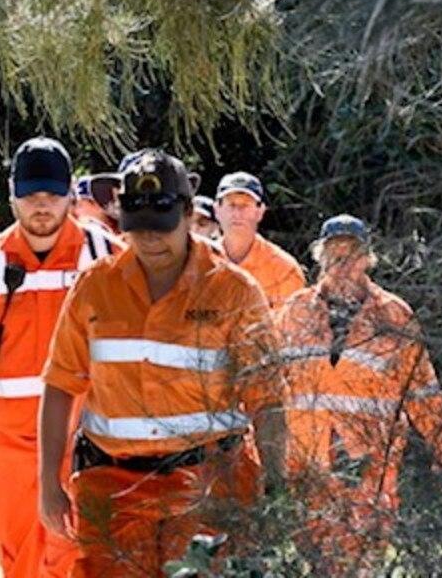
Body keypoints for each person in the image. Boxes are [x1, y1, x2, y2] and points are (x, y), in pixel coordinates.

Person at [38, 148, 281, 577]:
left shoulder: (233, 292)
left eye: (162, 228)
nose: (150, 241)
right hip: (111, 490)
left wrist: (277, 487)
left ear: (189, 215)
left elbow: (268, 400)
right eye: (139, 228)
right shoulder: (95, 288)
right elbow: (60, 385)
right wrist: (48, 484)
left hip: (209, 487)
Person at [0, 137, 122, 577]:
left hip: (86, 441)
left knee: (76, 556)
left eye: (52, 196)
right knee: (18, 560)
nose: (42, 206)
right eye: (31, 196)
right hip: (7, 449)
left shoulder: (107, 258)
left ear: (70, 193)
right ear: (13, 195)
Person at [275, 214, 442, 575]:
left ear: (367, 258)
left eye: (351, 253)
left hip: (370, 465)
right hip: (308, 463)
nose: (342, 262)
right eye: (333, 253)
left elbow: (421, 388)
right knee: (316, 561)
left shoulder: (393, 315)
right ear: (319, 257)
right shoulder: (294, 312)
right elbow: (269, 383)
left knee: (362, 562)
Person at [215, 171, 305, 310]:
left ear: (260, 211)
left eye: (245, 205)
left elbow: (291, 328)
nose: (237, 213)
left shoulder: (284, 270)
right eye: (231, 205)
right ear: (217, 210)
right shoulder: (197, 263)